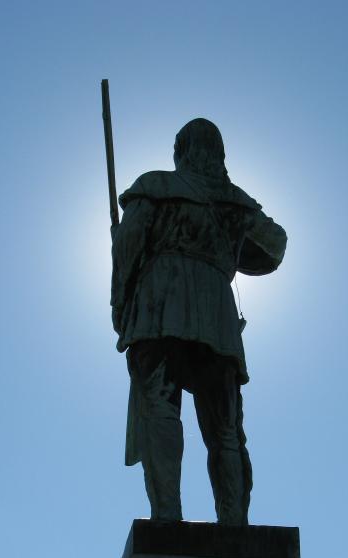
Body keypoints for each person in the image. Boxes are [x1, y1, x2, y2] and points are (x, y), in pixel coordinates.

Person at [110, 118, 286, 525]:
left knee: (160, 408)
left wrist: (121, 308)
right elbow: (275, 243)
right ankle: (234, 524)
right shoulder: (235, 201)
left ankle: (167, 517)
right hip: (217, 315)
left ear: (180, 151)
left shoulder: (154, 186)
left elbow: (127, 251)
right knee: (225, 429)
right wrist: (229, 247)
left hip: (160, 307)